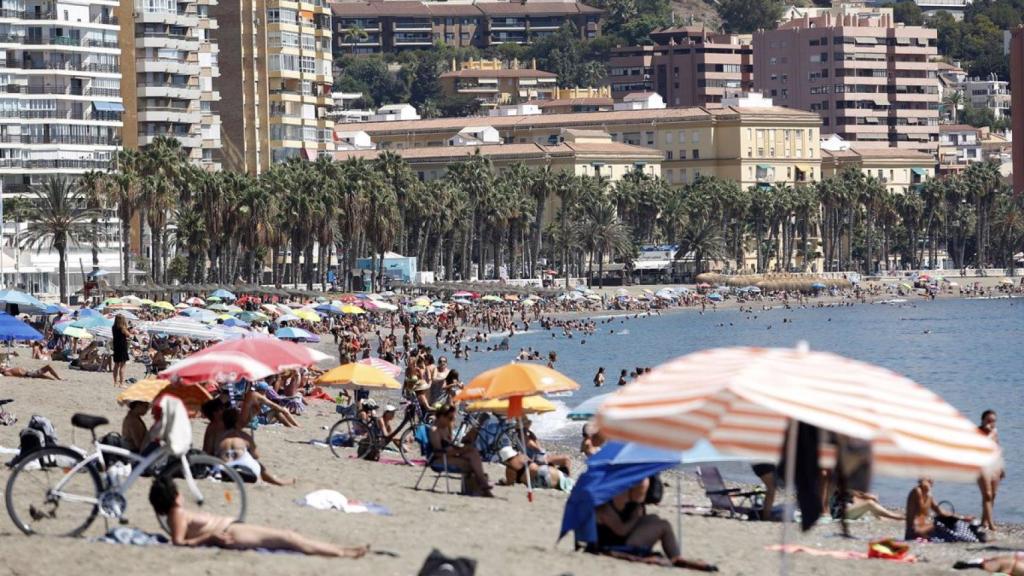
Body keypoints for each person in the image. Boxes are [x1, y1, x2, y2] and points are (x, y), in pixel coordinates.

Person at [149, 475, 367, 558]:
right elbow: (178, 543)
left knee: (290, 537)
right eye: (178, 491)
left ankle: (342, 550)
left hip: (232, 529)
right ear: (173, 496)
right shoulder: (177, 514)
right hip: (231, 534)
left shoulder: (177, 514)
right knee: (289, 538)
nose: (182, 495)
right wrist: (210, 537)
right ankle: (342, 552)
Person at [595, 478, 717, 571]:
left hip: (624, 538)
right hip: (616, 544)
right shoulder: (605, 507)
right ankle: (675, 558)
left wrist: (638, 514)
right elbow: (621, 531)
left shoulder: (625, 501)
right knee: (661, 524)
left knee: (656, 520)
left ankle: (676, 557)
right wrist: (635, 517)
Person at [217, 408, 294, 486]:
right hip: (243, 469)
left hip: (224, 469)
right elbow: (256, 455)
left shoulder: (219, 436)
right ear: (238, 421)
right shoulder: (243, 435)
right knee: (258, 464)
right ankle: (274, 481)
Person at [428, 404, 492, 497]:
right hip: (440, 460)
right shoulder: (435, 431)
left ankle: (482, 486)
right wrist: (459, 451)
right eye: (450, 418)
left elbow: (450, 445)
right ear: (441, 416)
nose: (451, 421)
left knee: (473, 452)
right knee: (472, 464)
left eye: (453, 418)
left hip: (450, 456)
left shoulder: (445, 428)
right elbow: (438, 453)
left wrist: (460, 448)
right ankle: (483, 486)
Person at [905, 478, 980, 542]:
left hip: (924, 529)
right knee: (939, 524)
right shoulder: (917, 491)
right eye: (929, 479)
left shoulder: (929, 494)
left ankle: (966, 537)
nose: (932, 482)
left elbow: (941, 512)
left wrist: (962, 518)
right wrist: (927, 489)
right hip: (914, 531)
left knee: (951, 523)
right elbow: (921, 509)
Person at [499, 447, 572, 492]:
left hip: (538, 479)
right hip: (544, 469)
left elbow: (510, 483)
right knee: (566, 482)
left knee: (559, 486)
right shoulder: (522, 456)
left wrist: (504, 482)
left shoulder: (510, 468)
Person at [977, 409, 1003, 531]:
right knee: (987, 495)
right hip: (981, 466)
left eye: (993, 421)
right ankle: (991, 525)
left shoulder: (995, 431)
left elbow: (997, 449)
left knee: (993, 495)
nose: (991, 424)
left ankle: (984, 521)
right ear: (982, 421)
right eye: (988, 421)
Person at [831, 489, 903, 521]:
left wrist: (869, 497)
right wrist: (870, 496)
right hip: (839, 514)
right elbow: (859, 494)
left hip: (846, 511)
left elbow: (856, 497)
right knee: (869, 502)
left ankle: (880, 518)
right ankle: (896, 517)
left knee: (870, 501)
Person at [112, 314, 131, 387]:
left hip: (116, 346)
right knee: (123, 366)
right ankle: (121, 383)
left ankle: (115, 382)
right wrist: (126, 327)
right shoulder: (122, 328)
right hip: (122, 347)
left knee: (116, 365)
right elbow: (129, 335)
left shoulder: (113, 327)